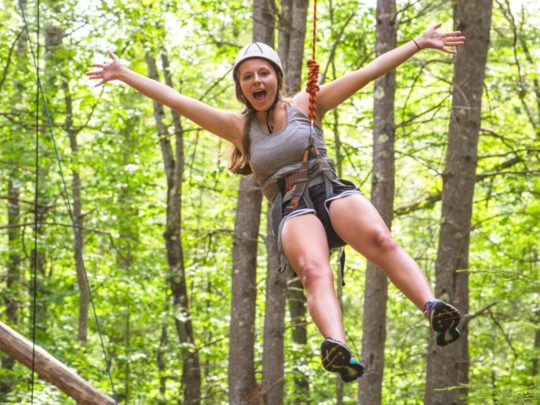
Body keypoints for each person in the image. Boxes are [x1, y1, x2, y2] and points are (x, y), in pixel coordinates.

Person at [87, 22, 465, 383]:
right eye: (248, 76)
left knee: (381, 240)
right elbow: (177, 99)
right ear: (240, 88)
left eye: (263, 73)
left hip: (327, 189)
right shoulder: (239, 127)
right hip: (292, 205)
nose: (256, 81)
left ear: (277, 78)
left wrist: (418, 42)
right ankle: (338, 346)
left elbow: (366, 73)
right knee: (314, 271)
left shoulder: (307, 103)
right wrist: (124, 73)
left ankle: (432, 309)